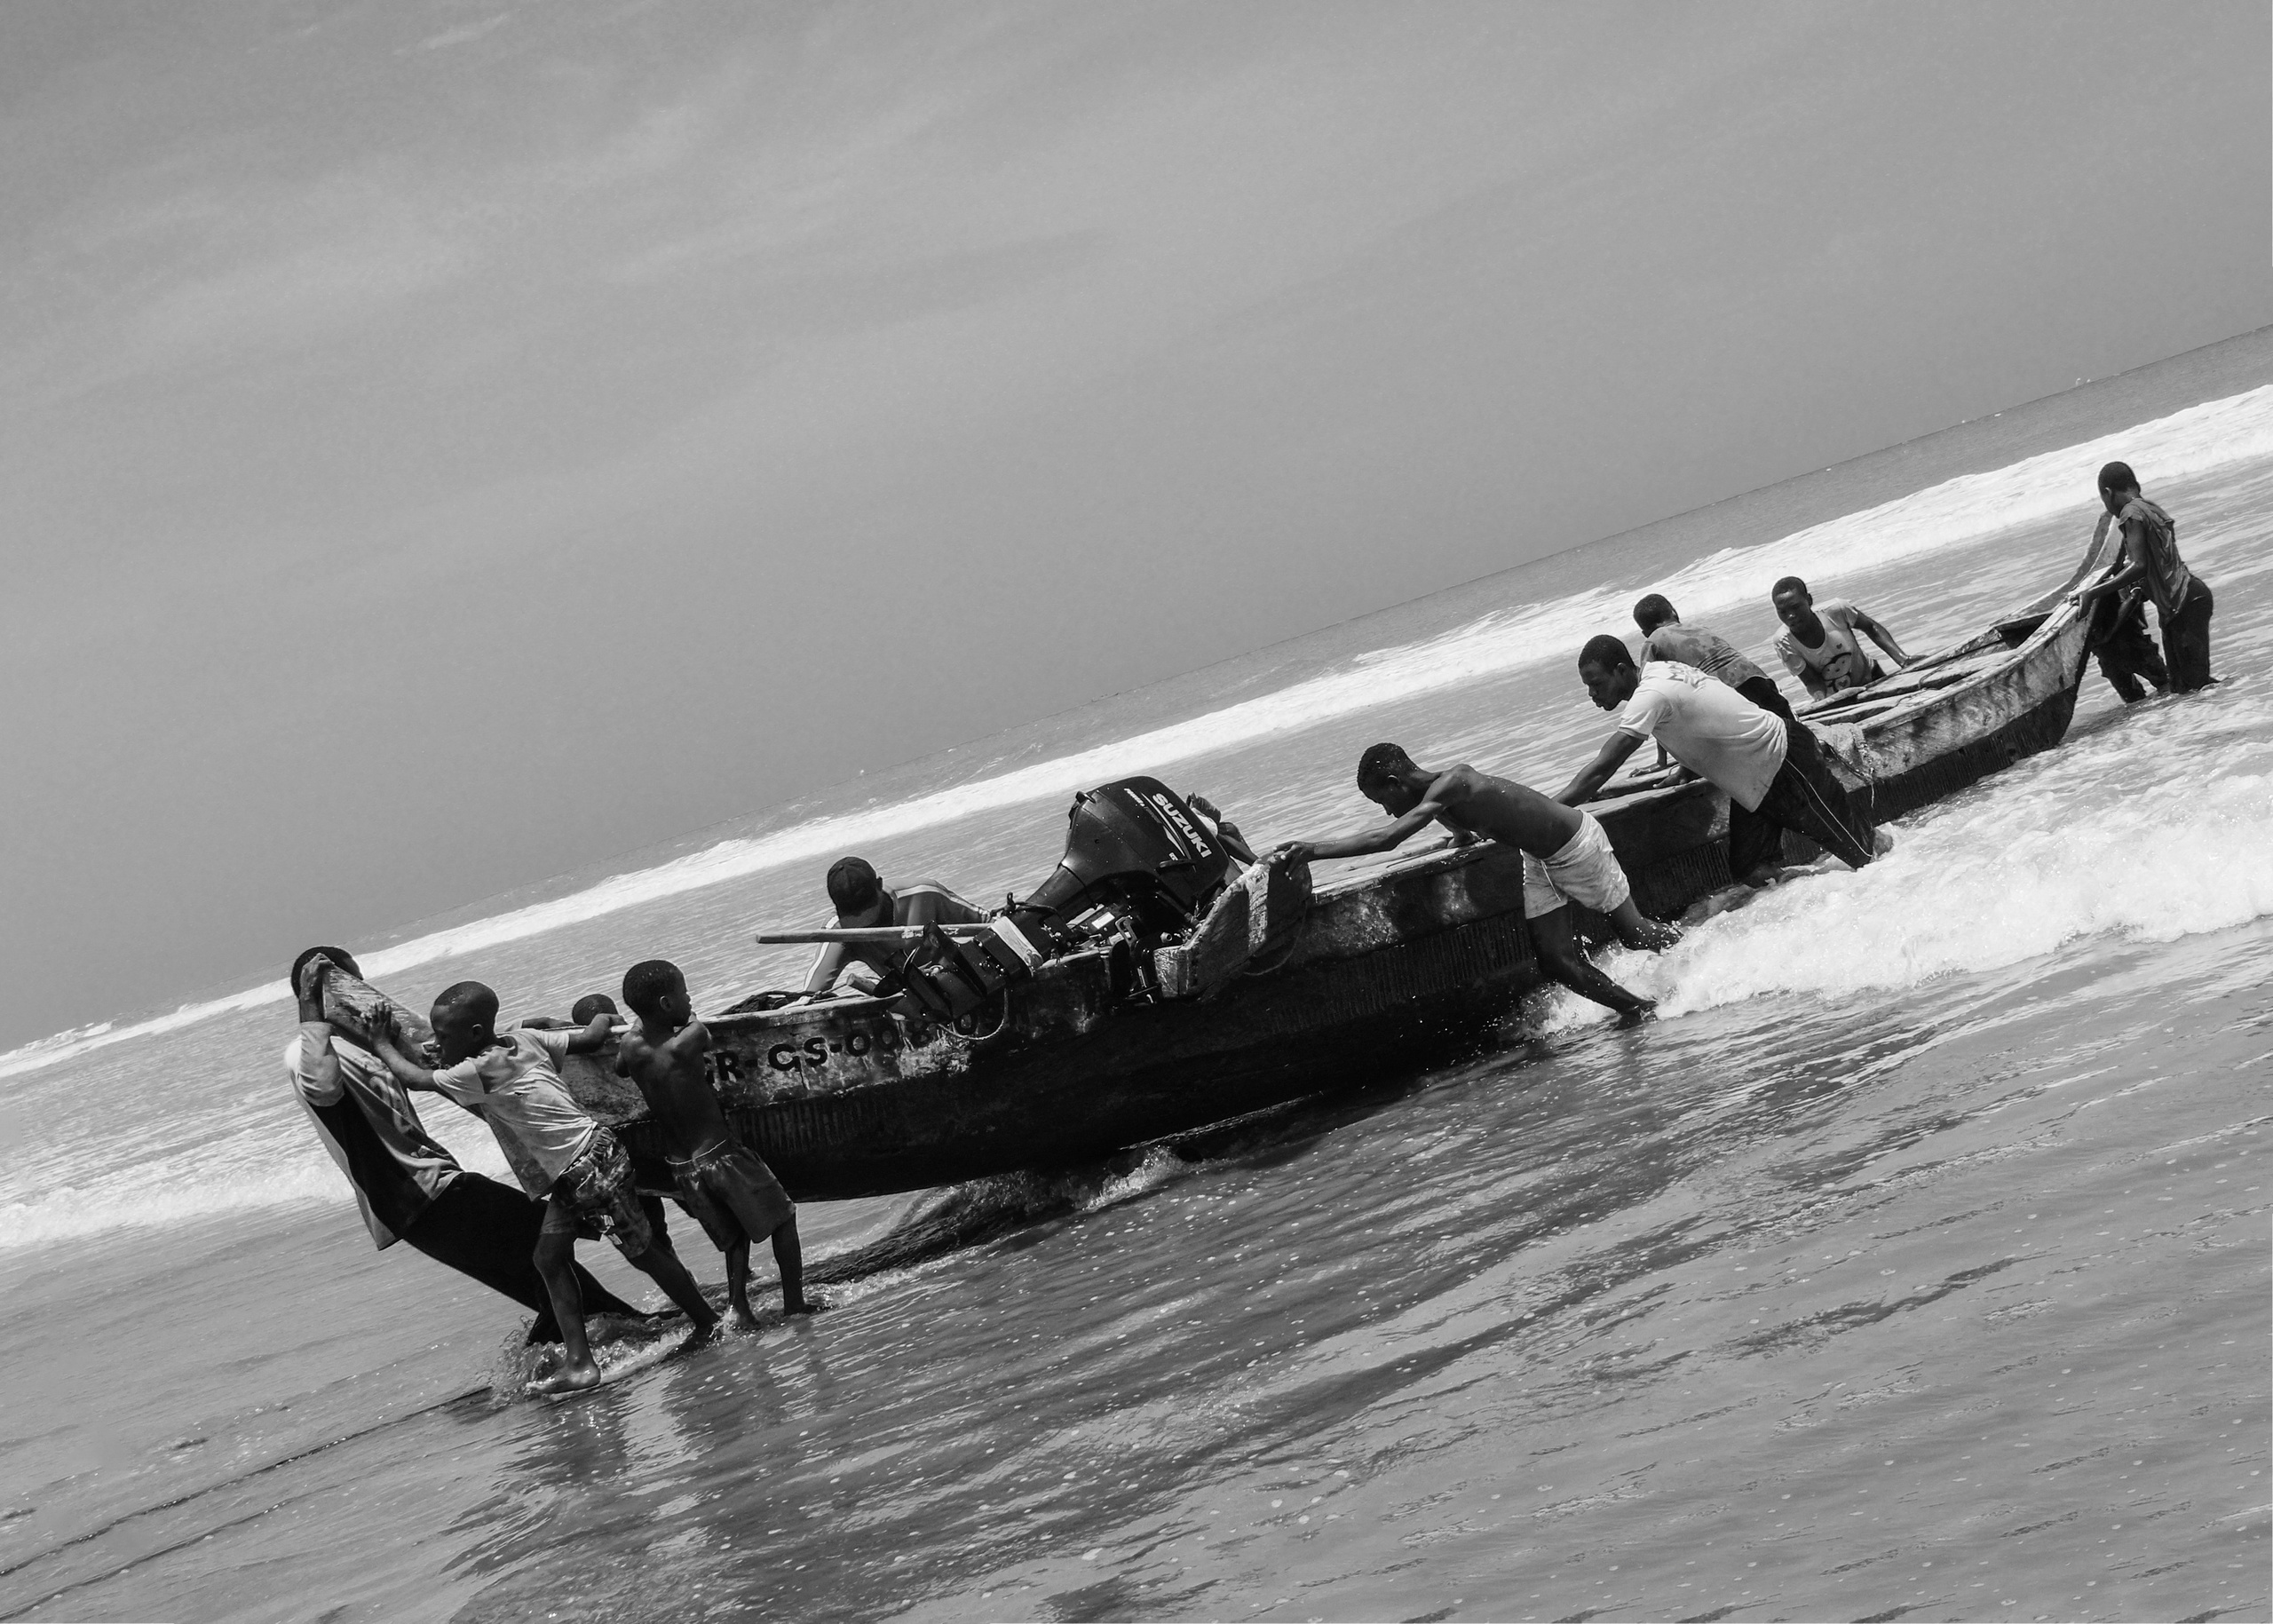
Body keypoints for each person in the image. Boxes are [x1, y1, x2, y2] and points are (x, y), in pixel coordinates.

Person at [370, 980, 719, 1393]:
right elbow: (590, 1038)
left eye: (444, 1037)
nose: (438, 1044)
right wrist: (607, 1017)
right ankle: (580, 1364)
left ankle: (708, 1323)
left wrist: (381, 1042)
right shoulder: (527, 1039)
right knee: (548, 1258)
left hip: (587, 1167)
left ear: (477, 1035)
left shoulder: (477, 1071)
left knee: (643, 1252)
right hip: (584, 1161)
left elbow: (414, 1079)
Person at [286, 948, 644, 1344]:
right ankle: (617, 1331)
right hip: (416, 1194)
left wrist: (522, 1029)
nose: (365, 994)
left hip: (427, 1190)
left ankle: (594, 1338)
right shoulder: (309, 1051)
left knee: (537, 1262)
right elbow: (322, 1087)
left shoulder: (365, 1043)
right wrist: (309, 1008)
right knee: (539, 1240)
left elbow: (446, 1052)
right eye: (352, 984)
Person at [1278, 745, 1675, 1023]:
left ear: (1396, 782)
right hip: (1539, 859)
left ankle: (1702, 949)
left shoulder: (1452, 783)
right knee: (1556, 963)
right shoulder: (1441, 801)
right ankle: (1640, 1009)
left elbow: (1388, 837)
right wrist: (1449, 840)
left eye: (1381, 801)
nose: (1385, 810)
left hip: (1577, 846)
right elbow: (1464, 835)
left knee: (1635, 935)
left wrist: (1313, 849)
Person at [1563, 637, 1878, 885]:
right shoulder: (1662, 671)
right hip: (1753, 784)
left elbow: (1604, 766)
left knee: (1866, 856)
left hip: (1783, 759)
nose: (1592, 693)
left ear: (1620, 670)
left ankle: (1905, 866)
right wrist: (1686, 768)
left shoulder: (1649, 695)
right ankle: (1824, 890)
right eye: (1587, 686)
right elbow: (1704, 711)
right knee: (1752, 870)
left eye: (1597, 683)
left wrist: (1552, 807)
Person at [618, 958, 811, 1328]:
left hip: (683, 1168)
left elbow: (619, 1070)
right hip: (721, 1155)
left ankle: (739, 1307)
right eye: (684, 993)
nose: (690, 999)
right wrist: (689, 1017)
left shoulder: (630, 1047)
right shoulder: (686, 1041)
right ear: (666, 1005)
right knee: (784, 1218)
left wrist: (641, 1026)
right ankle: (794, 1305)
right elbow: (702, 1032)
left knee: (734, 1237)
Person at [2073, 460, 2214, 693]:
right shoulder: (2152, 508)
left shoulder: (2130, 513)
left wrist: (2092, 592)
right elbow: (2163, 561)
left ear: (2108, 493)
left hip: (2184, 603)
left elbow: (2139, 565)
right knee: (2183, 690)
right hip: (2183, 603)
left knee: (2197, 688)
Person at [803, 857, 988, 996]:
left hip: (965, 982)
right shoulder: (840, 932)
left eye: (869, 912)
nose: (865, 924)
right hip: (908, 999)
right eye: (853, 917)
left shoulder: (923, 894)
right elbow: (809, 995)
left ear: (879, 885)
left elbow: (988, 924)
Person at [1632, 594, 1795, 724]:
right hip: (1756, 677)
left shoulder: (1652, 641)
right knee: (1786, 723)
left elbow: (1650, 694)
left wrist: (1662, 760)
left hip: (1722, 694)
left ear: (1645, 633)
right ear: (1674, 612)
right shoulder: (1699, 628)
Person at [1770, 578, 1913, 698]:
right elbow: (1811, 681)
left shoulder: (1836, 610)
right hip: (1840, 698)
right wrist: (1821, 699)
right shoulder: (1784, 642)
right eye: (1782, 611)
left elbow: (1872, 628)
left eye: (1795, 607)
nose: (1790, 616)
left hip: (1873, 678)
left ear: (1809, 600)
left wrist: (1903, 660)